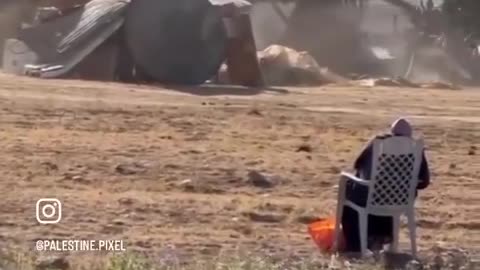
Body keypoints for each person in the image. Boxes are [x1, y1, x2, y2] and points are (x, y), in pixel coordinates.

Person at [341, 118, 431, 252]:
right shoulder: (416, 148)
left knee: (351, 190)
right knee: (385, 197)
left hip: (370, 199)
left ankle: (356, 246)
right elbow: (424, 182)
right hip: (401, 201)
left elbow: (357, 164)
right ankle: (380, 239)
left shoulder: (378, 142)